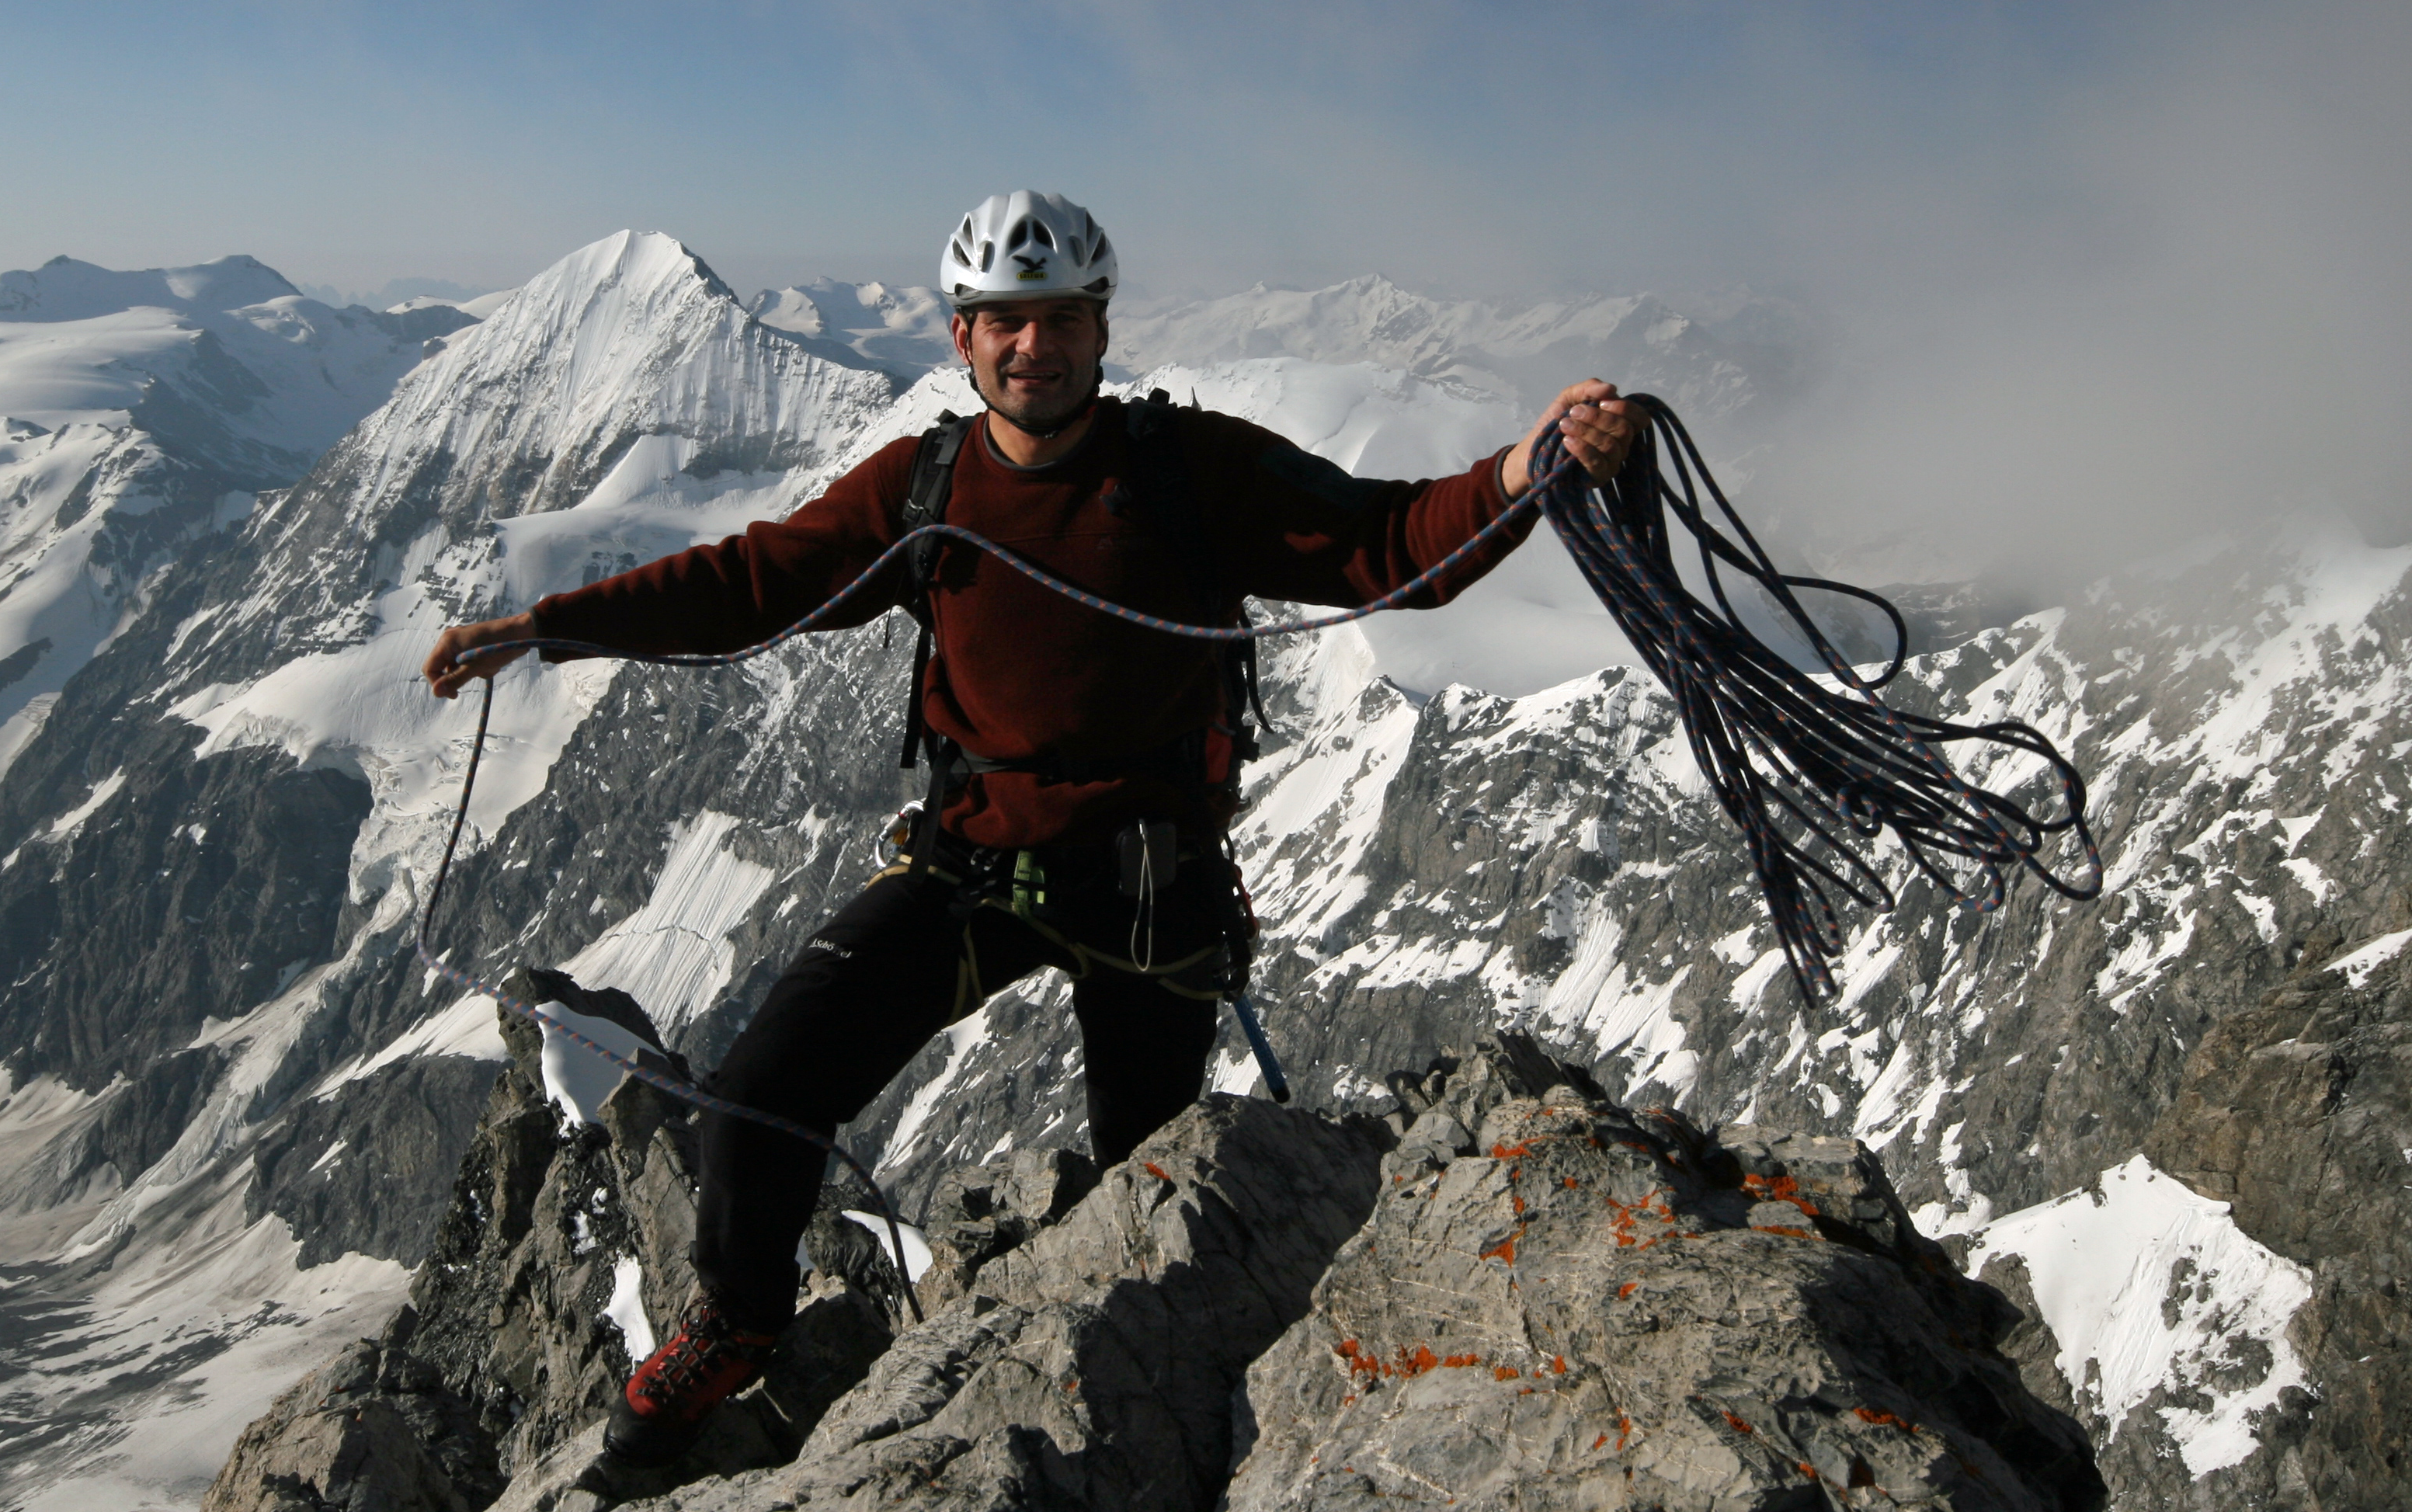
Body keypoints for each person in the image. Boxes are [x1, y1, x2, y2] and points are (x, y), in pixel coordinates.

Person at [422, 190, 1642, 1495]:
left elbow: (1382, 546)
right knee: (765, 1091)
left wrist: (1525, 472)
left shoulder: (1186, 471)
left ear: (1100, 330)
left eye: (1060, 320)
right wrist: (550, 626)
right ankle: (737, 1323)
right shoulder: (925, 489)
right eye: (1005, 322)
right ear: (961, 337)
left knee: (1146, 1182)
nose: (1033, 347)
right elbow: (756, 581)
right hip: (974, 863)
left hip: (1150, 880)